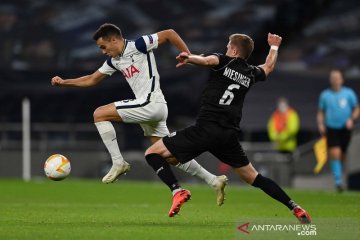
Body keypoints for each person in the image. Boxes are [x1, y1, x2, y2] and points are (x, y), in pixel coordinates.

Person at [51, 23, 228, 206]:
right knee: (169, 156)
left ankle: (118, 162)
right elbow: (91, 79)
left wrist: (188, 56)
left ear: (114, 40)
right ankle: (213, 180)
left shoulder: (139, 45)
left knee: (99, 114)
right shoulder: (114, 61)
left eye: (103, 47)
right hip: (151, 109)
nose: (103, 52)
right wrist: (65, 82)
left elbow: (169, 33)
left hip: (151, 103)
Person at [145, 32, 312, 224]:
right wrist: (274, 47)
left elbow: (208, 61)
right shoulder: (250, 73)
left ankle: (177, 189)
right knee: (253, 177)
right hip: (227, 136)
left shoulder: (225, 61)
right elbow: (269, 67)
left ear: (233, 50)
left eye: (227, 47)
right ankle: (295, 207)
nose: (225, 49)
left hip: (205, 129)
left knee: (152, 153)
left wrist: (189, 58)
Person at [317, 69, 359, 192]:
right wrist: (320, 124)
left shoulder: (349, 93)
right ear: (330, 80)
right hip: (331, 128)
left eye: (337, 77)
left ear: (341, 79)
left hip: (345, 128)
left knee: (342, 155)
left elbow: (356, 109)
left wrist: (352, 119)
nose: (335, 79)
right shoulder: (325, 95)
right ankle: (338, 182)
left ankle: (340, 176)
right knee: (335, 153)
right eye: (333, 77)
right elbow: (320, 112)